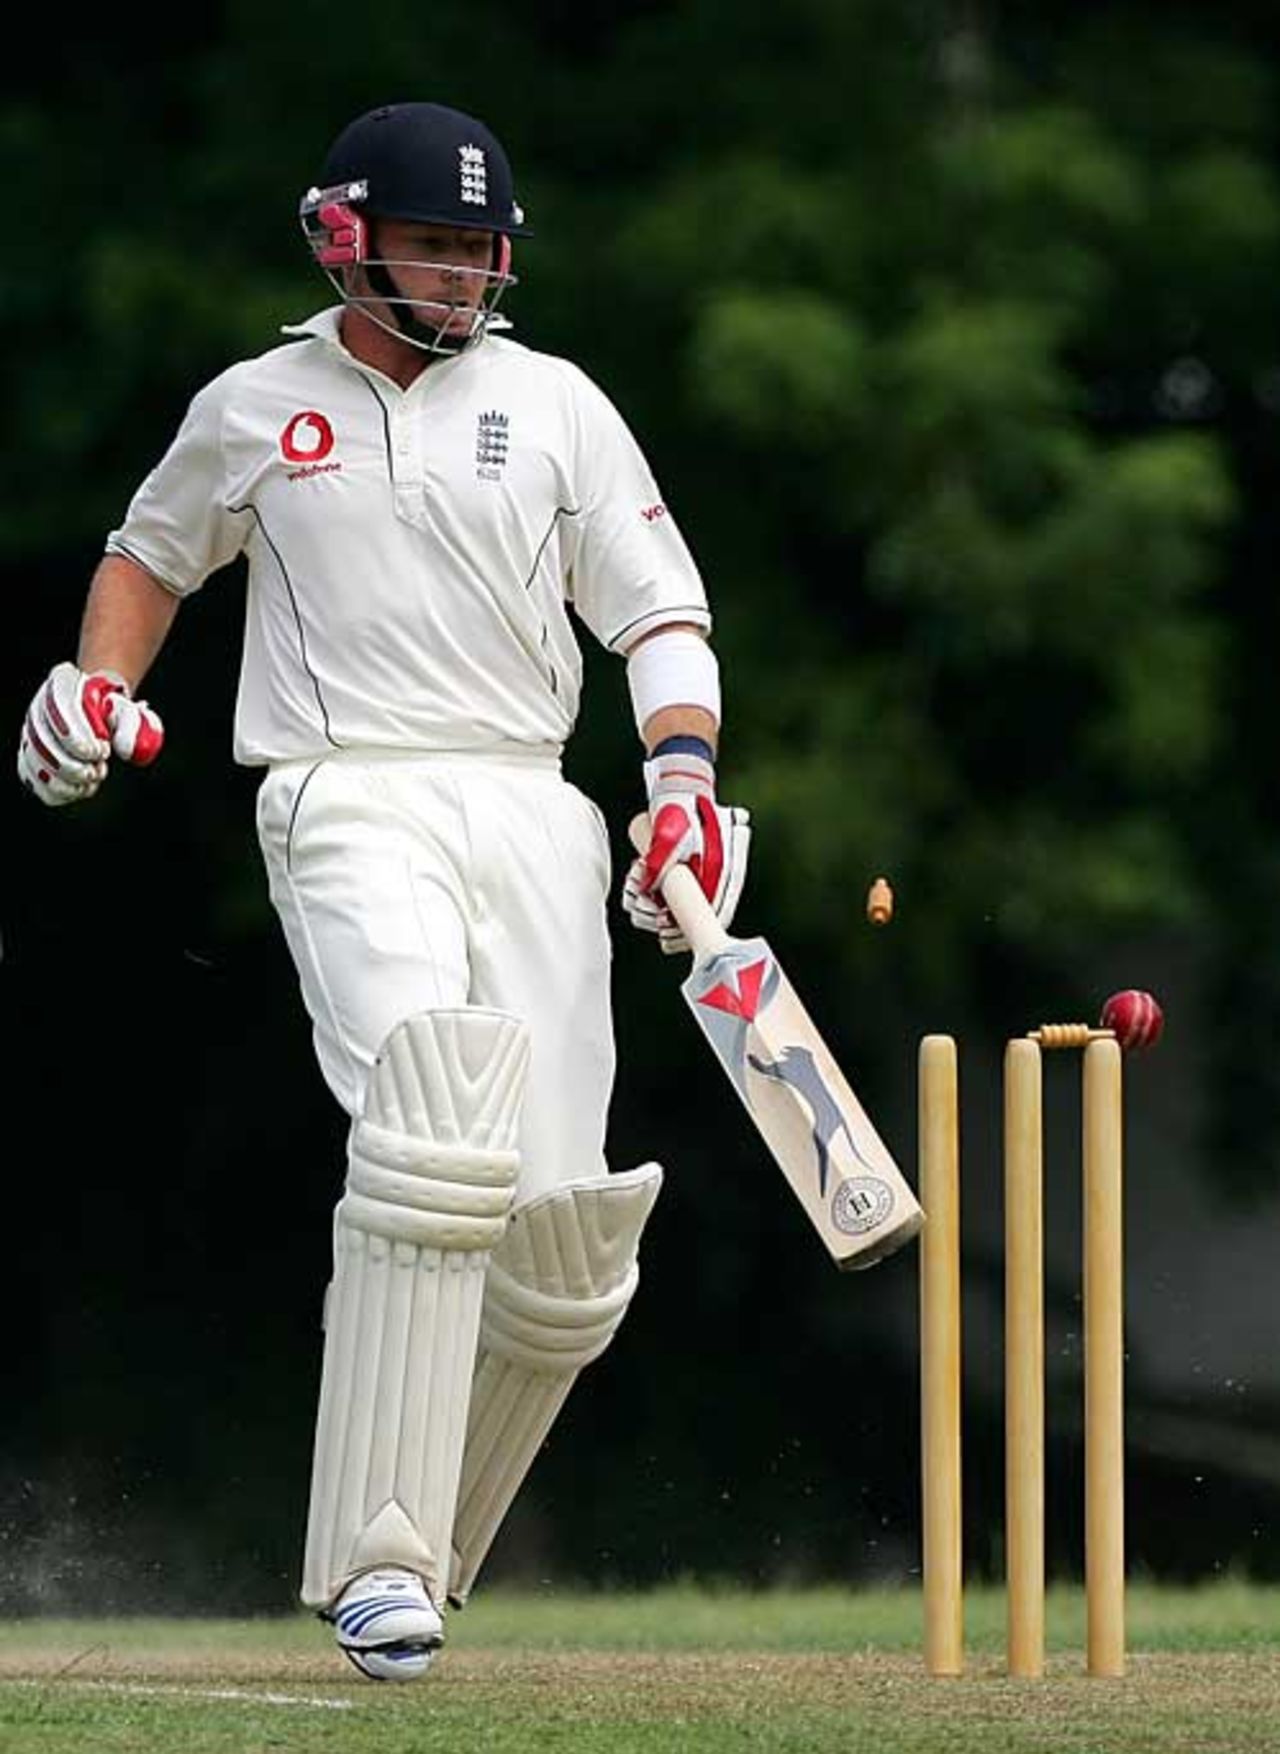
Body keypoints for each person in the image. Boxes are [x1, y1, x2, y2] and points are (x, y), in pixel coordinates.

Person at [16, 100, 750, 1680]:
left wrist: (681, 787)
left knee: (563, 1245)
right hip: (345, 790)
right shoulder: (255, 406)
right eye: (435, 242)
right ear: (347, 239)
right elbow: (148, 558)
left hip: (533, 804)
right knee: (433, 1122)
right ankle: (378, 1562)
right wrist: (95, 689)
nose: (467, 272)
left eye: (484, 247)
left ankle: (427, 1537)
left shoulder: (556, 406)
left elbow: (660, 617)